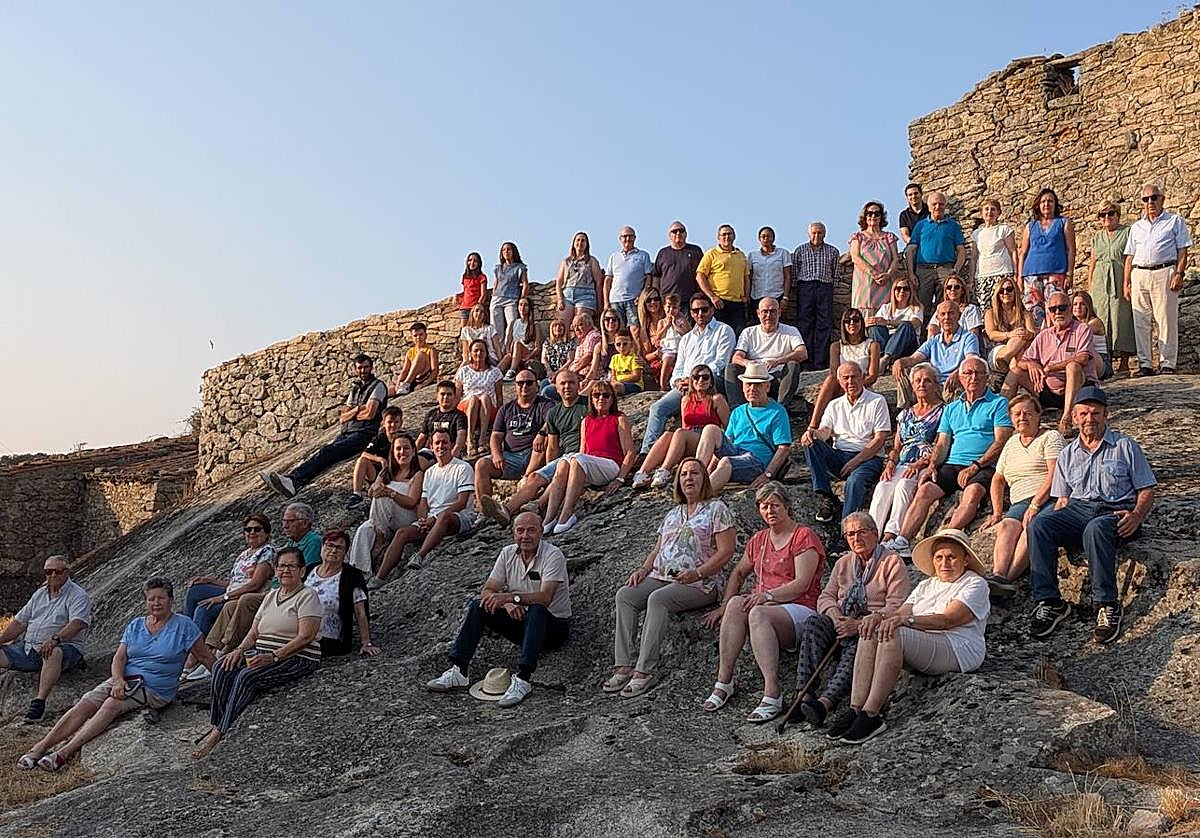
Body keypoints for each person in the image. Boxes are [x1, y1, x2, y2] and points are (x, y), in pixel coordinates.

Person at [18, 577, 212, 771]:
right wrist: (118, 681)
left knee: (112, 704)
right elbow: (119, 658)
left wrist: (224, 676)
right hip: (126, 679)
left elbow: (204, 656)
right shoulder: (136, 625)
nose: (156, 603)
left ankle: (63, 753)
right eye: (151, 599)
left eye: (161, 598)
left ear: (171, 600)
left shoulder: (184, 626)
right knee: (86, 703)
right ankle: (39, 748)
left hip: (156, 688)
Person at [833, 528, 990, 744]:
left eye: (951, 557)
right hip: (925, 641)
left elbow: (949, 620)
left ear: (965, 560)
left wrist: (905, 621)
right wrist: (876, 617)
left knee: (893, 631)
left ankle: (872, 713)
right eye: (939, 557)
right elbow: (901, 612)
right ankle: (856, 707)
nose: (945, 563)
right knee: (872, 629)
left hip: (958, 646)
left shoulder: (975, 583)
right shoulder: (927, 584)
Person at [1027, 386, 1155, 645]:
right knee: (1040, 525)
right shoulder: (1067, 454)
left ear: (1106, 415)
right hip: (1078, 509)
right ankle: (1050, 601)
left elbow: (1146, 488)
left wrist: (1137, 515)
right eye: (1083, 413)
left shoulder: (1125, 446)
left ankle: (1107, 605)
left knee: (1095, 529)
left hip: (1115, 512)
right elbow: (1062, 499)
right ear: (1074, 417)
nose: (1089, 419)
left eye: (1095, 413)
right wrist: (1057, 524)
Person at [603, 459, 735, 698]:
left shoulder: (717, 508)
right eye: (683, 474)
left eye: (694, 473)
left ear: (704, 478)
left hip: (700, 582)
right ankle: (624, 665)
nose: (688, 478)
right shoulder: (673, 512)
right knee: (626, 595)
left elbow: (727, 551)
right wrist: (643, 568)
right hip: (662, 575)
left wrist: (698, 572)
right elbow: (658, 548)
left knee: (658, 599)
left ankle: (644, 671)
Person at [700, 483, 824, 723]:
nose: (770, 511)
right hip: (768, 607)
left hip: (800, 607)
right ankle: (724, 681)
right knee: (737, 603)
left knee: (757, 613)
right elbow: (738, 573)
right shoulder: (758, 540)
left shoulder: (803, 536)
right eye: (765, 506)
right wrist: (724, 605)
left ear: (786, 507)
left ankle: (772, 692)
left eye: (775, 505)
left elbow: (802, 583)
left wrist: (768, 596)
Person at [426, 512, 571, 708]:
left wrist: (511, 597)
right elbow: (488, 589)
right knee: (479, 606)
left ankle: (523, 679)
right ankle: (459, 669)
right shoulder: (507, 553)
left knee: (537, 609)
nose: (525, 536)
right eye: (520, 531)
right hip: (523, 621)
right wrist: (507, 604)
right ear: (513, 534)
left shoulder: (553, 555)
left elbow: (545, 597)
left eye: (531, 530)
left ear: (541, 532)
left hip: (553, 627)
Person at [784, 512, 911, 731]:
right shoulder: (843, 563)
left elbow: (896, 605)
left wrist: (858, 625)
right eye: (850, 534)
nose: (856, 538)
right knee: (814, 623)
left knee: (861, 640)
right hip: (840, 620)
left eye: (862, 532)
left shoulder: (891, 562)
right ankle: (803, 695)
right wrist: (835, 617)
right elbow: (826, 596)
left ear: (875, 533)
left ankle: (825, 703)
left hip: (868, 625)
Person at [192, 552, 322, 758]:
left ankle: (219, 733)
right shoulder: (271, 596)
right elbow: (254, 632)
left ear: (302, 571)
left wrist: (275, 656)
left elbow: (306, 637)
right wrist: (238, 651)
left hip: (296, 657)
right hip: (262, 650)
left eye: (291, 566)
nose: (285, 570)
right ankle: (218, 721)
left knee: (247, 676)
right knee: (222, 666)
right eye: (281, 566)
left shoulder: (308, 596)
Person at [886, 355, 1013, 558]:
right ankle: (902, 541)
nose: (973, 377)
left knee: (972, 494)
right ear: (960, 378)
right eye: (968, 373)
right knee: (925, 489)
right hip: (952, 463)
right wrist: (933, 465)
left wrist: (976, 466)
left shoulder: (998, 403)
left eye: (979, 373)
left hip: (983, 465)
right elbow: (943, 442)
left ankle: (944, 539)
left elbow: (1001, 441)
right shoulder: (952, 408)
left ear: (987, 378)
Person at [259, 354, 388, 498]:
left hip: (363, 434)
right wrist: (358, 409)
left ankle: (294, 481)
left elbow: (370, 414)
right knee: (323, 453)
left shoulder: (378, 386)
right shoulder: (355, 388)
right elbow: (342, 417)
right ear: (355, 369)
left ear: (371, 368)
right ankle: (292, 480)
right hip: (347, 432)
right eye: (360, 368)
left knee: (326, 451)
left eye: (366, 367)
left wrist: (353, 412)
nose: (363, 370)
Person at [480, 368, 587, 528]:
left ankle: (521, 507)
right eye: (562, 383)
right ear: (556, 388)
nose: (566, 387)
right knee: (483, 464)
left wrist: (541, 433)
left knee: (548, 469)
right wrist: (551, 466)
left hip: (581, 457)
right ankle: (495, 512)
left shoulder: (586, 405)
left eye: (571, 382)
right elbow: (553, 445)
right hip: (524, 457)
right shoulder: (555, 412)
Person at [370, 428, 475, 584]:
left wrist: (433, 519)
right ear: (431, 447)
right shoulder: (430, 472)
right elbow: (423, 502)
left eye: (445, 442)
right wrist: (422, 520)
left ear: (452, 444)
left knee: (444, 517)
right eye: (437, 443)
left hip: (458, 518)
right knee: (402, 533)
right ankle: (379, 578)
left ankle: (420, 555)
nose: (441, 446)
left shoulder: (462, 467)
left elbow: (461, 502)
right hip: (432, 520)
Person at [981, 395, 1062, 596]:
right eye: (1017, 414)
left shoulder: (1050, 437)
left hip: (1047, 497)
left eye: (1027, 413)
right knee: (1007, 526)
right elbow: (997, 479)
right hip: (1019, 501)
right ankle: (999, 575)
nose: (1022, 417)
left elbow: (1055, 473)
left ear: (1038, 414)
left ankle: (1008, 580)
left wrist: (1035, 504)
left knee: (1031, 528)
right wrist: (997, 512)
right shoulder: (1010, 443)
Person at [639, 294, 735, 455]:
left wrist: (693, 379)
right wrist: (677, 382)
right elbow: (678, 368)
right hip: (687, 386)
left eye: (704, 309)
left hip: (711, 382)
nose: (700, 314)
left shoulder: (724, 330)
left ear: (712, 310)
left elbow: (721, 364)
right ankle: (645, 452)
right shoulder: (687, 338)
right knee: (657, 408)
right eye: (695, 310)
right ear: (690, 313)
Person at [0, 555, 92, 722]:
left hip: (64, 649)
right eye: (48, 572)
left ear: (67, 572)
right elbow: (20, 623)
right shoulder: (39, 594)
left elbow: (78, 623)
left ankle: (39, 703)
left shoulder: (77, 595)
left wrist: (55, 639)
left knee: (53, 652)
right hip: (29, 649)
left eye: (58, 571)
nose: (53, 576)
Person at [540, 381, 635, 535]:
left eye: (606, 395)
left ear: (612, 399)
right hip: (589, 465)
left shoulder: (619, 419)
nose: (601, 398)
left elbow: (630, 452)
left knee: (576, 459)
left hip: (611, 464)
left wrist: (620, 479)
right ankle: (549, 518)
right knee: (564, 462)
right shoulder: (586, 421)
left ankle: (567, 514)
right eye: (597, 395)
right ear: (591, 398)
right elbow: (583, 450)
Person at [801, 362, 891, 524]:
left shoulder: (877, 401)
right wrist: (813, 434)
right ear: (840, 382)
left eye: (854, 377)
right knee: (811, 443)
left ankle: (846, 529)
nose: (850, 382)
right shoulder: (834, 405)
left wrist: (855, 461)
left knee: (854, 482)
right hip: (840, 455)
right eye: (846, 378)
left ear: (863, 377)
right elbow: (825, 431)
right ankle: (827, 496)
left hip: (868, 458)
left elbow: (880, 439)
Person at [867, 364, 945, 544]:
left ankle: (891, 534)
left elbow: (942, 444)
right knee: (883, 486)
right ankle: (871, 533)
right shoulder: (905, 414)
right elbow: (896, 446)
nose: (922, 384)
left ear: (935, 384)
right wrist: (890, 463)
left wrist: (920, 464)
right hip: (902, 462)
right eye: (918, 381)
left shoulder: (943, 411)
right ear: (912, 384)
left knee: (904, 485)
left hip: (926, 463)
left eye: (927, 381)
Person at [1003, 290, 1096, 434]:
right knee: (1016, 370)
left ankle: (1067, 418)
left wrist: (1052, 367)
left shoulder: (1082, 329)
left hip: (1079, 388)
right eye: (1053, 309)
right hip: (1047, 389)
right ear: (1049, 312)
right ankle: (999, 414)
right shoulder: (1044, 335)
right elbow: (1022, 361)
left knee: (1073, 366)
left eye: (1062, 308)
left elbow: (1083, 358)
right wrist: (1030, 364)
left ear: (1070, 309)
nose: (1058, 312)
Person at [1123, 183, 1191, 376]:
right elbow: (1129, 256)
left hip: (1164, 272)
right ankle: (1145, 364)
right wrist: (1126, 282)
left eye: (1154, 197)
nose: (1150, 202)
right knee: (1140, 321)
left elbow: (1182, 250)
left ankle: (1167, 363)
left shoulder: (1174, 221)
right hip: (1140, 274)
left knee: (1166, 320)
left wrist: (1179, 273)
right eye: (1146, 199)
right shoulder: (1136, 227)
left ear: (1162, 199)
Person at [697, 362, 793, 493]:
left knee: (726, 461)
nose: (752, 388)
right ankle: (697, 473)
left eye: (758, 384)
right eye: (748, 384)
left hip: (756, 460)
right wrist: (708, 472)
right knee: (711, 429)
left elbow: (783, 448)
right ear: (742, 387)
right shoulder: (738, 411)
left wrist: (767, 474)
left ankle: (700, 496)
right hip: (736, 452)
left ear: (767, 387)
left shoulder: (777, 412)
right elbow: (726, 442)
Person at [631, 364, 730, 490]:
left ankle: (664, 470)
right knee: (668, 435)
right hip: (688, 438)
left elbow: (728, 427)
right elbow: (685, 425)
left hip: (707, 441)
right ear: (691, 381)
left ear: (711, 382)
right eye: (696, 377)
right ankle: (643, 472)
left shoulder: (717, 399)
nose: (701, 381)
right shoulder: (685, 400)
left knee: (680, 433)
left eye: (705, 377)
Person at [182, 514, 276, 645]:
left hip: (243, 595)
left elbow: (254, 585)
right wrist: (210, 580)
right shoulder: (244, 554)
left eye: (257, 529)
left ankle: (193, 646)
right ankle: (184, 632)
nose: (252, 532)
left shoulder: (266, 552)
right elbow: (234, 582)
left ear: (266, 533)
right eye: (248, 530)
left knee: (203, 608)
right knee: (195, 589)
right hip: (232, 590)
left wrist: (222, 598)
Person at [472, 369, 553, 519]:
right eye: (520, 383)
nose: (524, 386)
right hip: (511, 457)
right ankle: (485, 512)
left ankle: (527, 477)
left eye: (529, 383)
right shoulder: (506, 409)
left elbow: (552, 420)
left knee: (545, 441)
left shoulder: (545, 404)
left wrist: (541, 433)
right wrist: (496, 454)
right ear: (515, 386)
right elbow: (496, 436)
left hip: (533, 455)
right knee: (481, 465)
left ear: (536, 385)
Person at [347, 433, 425, 574]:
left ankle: (380, 538)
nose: (402, 452)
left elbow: (412, 502)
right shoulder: (387, 471)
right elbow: (372, 493)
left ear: (413, 451)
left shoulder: (417, 474)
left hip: (406, 516)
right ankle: (359, 573)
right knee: (364, 530)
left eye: (406, 448)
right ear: (393, 452)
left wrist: (390, 493)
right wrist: (374, 490)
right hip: (384, 518)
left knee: (383, 497)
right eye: (398, 449)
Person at [723, 297, 807, 408]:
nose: (769, 316)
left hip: (777, 379)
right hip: (752, 377)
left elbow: (802, 353)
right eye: (765, 312)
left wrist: (778, 361)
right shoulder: (748, 332)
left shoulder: (791, 331)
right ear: (758, 313)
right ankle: (738, 410)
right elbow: (736, 357)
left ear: (779, 313)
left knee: (793, 365)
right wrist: (748, 363)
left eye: (773, 311)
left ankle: (780, 408)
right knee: (731, 368)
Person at [304, 532, 378, 657]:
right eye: (329, 545)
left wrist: (366, 643)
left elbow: (360, 612)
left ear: (345, 553)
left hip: (327, 639)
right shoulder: (308, 570)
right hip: (296, 630)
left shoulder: (352, 576)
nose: (333, 550)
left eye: (339, 548)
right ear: (322, 547)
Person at [893, 301, 980, 407]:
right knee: (904, 371)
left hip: (952, 384)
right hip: (933, 382)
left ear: (959, 316)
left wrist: (958, 372)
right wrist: (899, 361)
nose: (947, 317)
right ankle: (904, 411)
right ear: (938, 318)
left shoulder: (968, 337)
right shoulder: (934, 340)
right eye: (943, 314)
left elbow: (971, 361)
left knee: (957, 386)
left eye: (951, 313)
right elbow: (914, 359)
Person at [807, 307, 880, 433]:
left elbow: (873, 376)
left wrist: (854, 384)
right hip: (841, 383)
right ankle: (814, 425)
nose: (852, 323)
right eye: (848, 321)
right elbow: (834, 373)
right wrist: (846, 385)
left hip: (862, 384)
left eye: (856, 320)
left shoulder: (872, 345)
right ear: (843, 324)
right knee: (830, 380)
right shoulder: (836, 346)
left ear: (861, 323)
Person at [1086, 200, 1135, 375]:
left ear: (1118, 215)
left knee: (1121, 318)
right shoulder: (1097, 237)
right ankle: (1106, 362)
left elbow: (1129, 258)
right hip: (1100, 283)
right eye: (1102, 214)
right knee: (1102, 319)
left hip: (1119, 278)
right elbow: (1092, 263)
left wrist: (1127, 283)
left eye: (1110, 213)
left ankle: (1124, 361)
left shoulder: (1127, 232)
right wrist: (1090, 286)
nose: (1107, 217)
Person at [905, 191, 966, 325]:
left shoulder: (953, 226)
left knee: (945, 306)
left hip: (946, 269)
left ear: (945, 205)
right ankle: (921, 339)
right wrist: (911, 273)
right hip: (923, 270)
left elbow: (961, 251)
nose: (938, 206)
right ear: (929, 205)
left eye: (941, 204)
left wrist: (955, 270)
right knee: (921, 306)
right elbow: (911, 249)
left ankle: (943, 337)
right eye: (934, 204)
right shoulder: (920, 225)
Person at [1018, 188, 1076, 328]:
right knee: (1034, 310)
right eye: (1043, 201)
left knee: (1056, 307)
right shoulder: (1030, 226)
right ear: (1038, 205)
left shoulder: (1063, 223)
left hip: (1056, 272)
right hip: (1031, 273)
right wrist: (1019, 276)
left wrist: (1069, 273)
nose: (1046, 204)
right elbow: (1023, 252)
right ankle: (1038, 342)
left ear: (1055, 204)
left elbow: (1071, 249)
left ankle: (1056, 341)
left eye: (1050, 201)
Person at [791, 221, 840, 370]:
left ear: (824, 234)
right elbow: (794, 271)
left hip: (824, 286)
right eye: (814, 233)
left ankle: (820, 363)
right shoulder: (800, 250)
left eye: (819, 233)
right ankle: (805, 362)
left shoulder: (832, 251)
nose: (816, 236)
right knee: (805, 324)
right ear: (809, 234)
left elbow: (835, 272)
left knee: (824, 324)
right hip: (805, 287)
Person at [849, 200, 901, 315]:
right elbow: (855, 257)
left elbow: (895, 258)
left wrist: (888, 274)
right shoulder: (858, 237)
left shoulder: (889, 237)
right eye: (869, 213)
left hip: (885, 283)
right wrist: (874, 273)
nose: (873, 216)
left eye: (877, 213)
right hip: (864, 284)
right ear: (865, 216)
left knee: (883, 316)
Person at [455, 338, 505, 457]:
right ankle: (469, 439)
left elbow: (499, 397)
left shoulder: (495, 372)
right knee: (473, 399)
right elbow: (457, 395)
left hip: (487, 407)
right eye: (476, 351)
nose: (479, 353)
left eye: (482, 351)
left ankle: (482, 439)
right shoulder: (463, 371)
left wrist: (501, 417)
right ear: (471, 353)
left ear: (486, 353)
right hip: (467, 406)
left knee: (485, 397)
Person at [697, 225, 750, 335]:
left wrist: (746, 296)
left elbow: (746, 278)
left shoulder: (741, 255)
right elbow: (700, 276)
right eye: (723, 234)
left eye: (729, 234)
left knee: (739, 335)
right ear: (718, 237)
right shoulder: (711, 254)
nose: (726, 236)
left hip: (737, 303)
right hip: (718, 302)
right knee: (717, 335)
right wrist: (712, 297)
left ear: (734, 236)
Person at [348, 405, 405, 508]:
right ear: (383, 423)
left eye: (396, 422)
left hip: (396, 474)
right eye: (389, 422)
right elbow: (365, 453)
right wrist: (380, 459)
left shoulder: (404, 438)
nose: (393, 425)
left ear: (401, 423)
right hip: (379, 472)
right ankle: (356, 494)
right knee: (362, 461)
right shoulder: (380, 438)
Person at [604, 226, 653, 339]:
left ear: (635, 238)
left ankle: (636, 355)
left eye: (630, 236)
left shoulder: (643, 255)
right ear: (620, 239)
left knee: (635, 329)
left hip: (634, 299)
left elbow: (648, 277)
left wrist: (642, 296)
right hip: (615, 299)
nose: (627, 239)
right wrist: (606, 302)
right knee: (617, 331)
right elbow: (607, 280)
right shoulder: (613, 256)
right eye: (625, 236)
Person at [971, 197, 1019, 309]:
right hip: (983, 276)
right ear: (981, 213)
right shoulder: (977, 234)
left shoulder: (1004, 229)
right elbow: (974, 257)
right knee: (986, 308)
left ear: (998, 213)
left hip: (1002, 274)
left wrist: (1016, 274)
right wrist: (972, 279)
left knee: (1005, 307)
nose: (989, 212)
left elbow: (1013, 251)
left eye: (993, 209)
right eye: (986, 209)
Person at [867, 279, 923, 371]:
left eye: (906, 289)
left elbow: (915, 323)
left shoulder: (916, 308)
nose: (902, 291)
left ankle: (886, 359)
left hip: (906, 344)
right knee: (875, 327)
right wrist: (870, 321)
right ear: (893, 291)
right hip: (887, 341)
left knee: (907, 325)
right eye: (898, 288)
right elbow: (875, 323)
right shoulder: (886, 307)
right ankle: (880, 357)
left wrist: (888, 322)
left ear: (910, 291)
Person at [984, 278, 1036, 377]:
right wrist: (1010, 334)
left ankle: (1008, 359)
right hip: (998, 351)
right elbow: (991, 335)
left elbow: (1032, 334)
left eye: (1009, 289)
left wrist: (1025, 333)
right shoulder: (990, 313)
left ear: (1015, 291)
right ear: (997, 294)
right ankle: (1007, 356)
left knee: (1020, 337)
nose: (1005, 293)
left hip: (1019, 352)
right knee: (1017, 337)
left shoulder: (1025, 314)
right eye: (1001, 291)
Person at [554, 231, 603, 322]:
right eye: (578, 240)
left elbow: (599, 282)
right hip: (568, 294)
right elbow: (559, 282)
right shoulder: (566, 261)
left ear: (587, 244)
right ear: (574, 243)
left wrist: (599, 304)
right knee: (562, 323)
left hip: (586, 295)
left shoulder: (592, 261)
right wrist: (560, 299)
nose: (580, 243)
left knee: (581, 321)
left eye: (583, 241)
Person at [652, 221, 705, 304]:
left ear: (686, 234)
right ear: (669, 235)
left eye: (681, 231)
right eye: (674, 231)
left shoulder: (696, 251)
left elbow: (703, 274)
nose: (678, 233)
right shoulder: (663, 253)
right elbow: (656, 276)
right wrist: (656, 297)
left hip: (690, 300)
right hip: (667, 301)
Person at [415, 380, 469, 460]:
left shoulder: (460, 416)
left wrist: (453, 454)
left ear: (455, 396)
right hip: (431, 452)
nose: (445, 397)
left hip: (450, 452)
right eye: (442, 394)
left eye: (449, 394)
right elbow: (422, 437)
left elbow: (461, 437)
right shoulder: (431, 414)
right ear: (437, 396)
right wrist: (412, 453)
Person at [747, 226, 792, 319]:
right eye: (763, 236)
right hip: (757, 296)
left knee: (776, 324)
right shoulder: (752, 255)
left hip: (776, 295)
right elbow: (749, 277)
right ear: (759, 239)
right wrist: (747, 295)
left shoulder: (783, 253)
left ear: (773, 238)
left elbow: (787, 276)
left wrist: (785, 297)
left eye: (768, 236)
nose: (766, 238)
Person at [492, 241, 529, 349]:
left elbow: (525, 284)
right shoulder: (498, 268)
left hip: (512, 298)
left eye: (508, 249)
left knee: (512, 324)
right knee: (496, 327)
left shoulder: (520, 267)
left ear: (513, 251)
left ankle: (508, 349)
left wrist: (522, 298)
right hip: (497, 298)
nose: (506, 251)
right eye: (504, 250)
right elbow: (496, 283)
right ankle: (498, 351)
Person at [651, 291, 692, 389]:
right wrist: (666, 326)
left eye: (674, 307)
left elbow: (688, 333)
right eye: (669, 307)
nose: (671, 310)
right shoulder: (662, 322)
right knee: (667, 361)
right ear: (664, 307)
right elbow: (658, 336)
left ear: (679, 308)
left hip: (680, 347)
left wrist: (676, 325)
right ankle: (663, 385)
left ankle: (681, 382)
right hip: (668, 348)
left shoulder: (682, 320)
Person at [928, 276, 983, 346]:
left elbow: (973, 333)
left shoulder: (971, 309)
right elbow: (932, 327)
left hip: (964, 346)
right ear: (946, 291)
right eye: (949, 287)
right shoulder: (941, 308)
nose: (952, 289)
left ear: (962, 290)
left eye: (957, 287)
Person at [390, 322, 439, 396]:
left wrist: (424, 384)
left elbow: (435, 371)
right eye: (415, 336)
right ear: (412, 337)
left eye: (421, 335)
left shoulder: (431, 350)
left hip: (423, 378)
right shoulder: (410, 351)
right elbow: (405, 370)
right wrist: (398, 384)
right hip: (412, 380)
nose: (418, 337)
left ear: (425, 335)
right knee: (388, 390)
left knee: (421, 354)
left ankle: (406, 384)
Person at [499, 296, 541, 380]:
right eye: (520, 304)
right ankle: (494, 374)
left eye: (525, 305)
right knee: (507, 356)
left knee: (517, 343)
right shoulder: (513, 323)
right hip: (514, 353)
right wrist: (509, 353)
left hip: (527, 354)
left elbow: (537, 348)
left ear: (529, 308)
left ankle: (512, 370)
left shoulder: (534, 325)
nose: (522, 307)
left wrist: (528, 357)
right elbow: (508, 342)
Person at [1072, 290, 1111, 381]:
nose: (1078, 307)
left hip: (1101, 362)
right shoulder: (1073, 324)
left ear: (1088, 306)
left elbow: (1080, 334)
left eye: (1082, 304)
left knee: (1085, 349)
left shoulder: (1095, 322)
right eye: (1075, 304)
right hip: (1081, 359)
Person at [590, 307, 628, 389]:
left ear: (618, 321)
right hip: (607, 377)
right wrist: (586, 380)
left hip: (623, 377)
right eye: (607, 319)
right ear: (603, 322)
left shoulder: (626, 341)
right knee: (591, 383)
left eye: (614, 319)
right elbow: (593, 370)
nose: (611, 322)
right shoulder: (599, 346)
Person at [539, 318, 577, 396]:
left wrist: (557, 373)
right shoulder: (548, 342)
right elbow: (544, 359)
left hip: (564, 373)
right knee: (544, 383)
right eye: (555, 326)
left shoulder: (570, 343)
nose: (558, 328)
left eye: (561, 325)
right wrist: (549, 371)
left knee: (547, 390)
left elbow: (570, 360)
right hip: (550, 373)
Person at [636, 288, 666, 380]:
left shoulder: (669, 316)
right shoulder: (644, 327)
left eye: (656, 299)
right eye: (649, 300)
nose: (653, 302)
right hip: (657, 362)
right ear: (644, 303)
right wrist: (656, 354)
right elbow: (646, 356)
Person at [608, 329, 645, 395]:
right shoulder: (614, 358)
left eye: (625, 344)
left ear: (631, 343)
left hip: (634, 385)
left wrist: (619, 381)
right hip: (618, 383)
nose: (621, 347)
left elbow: (636, 377)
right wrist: (613, 381)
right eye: (618, 344)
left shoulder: (634, 358)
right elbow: (613, 375)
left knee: (615, 387)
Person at [457, 252, 488, 321]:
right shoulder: (465, 277)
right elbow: (466, 292)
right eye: (470, 260)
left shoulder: (482, 277)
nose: (472, 262)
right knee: (463, 330)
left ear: (479, 263)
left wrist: (478, 306)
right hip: (464, 307)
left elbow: (484, 294)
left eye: (475, 261)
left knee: (475, 329)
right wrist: (457, 296)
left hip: (474, 308)